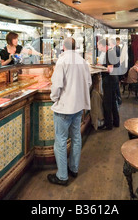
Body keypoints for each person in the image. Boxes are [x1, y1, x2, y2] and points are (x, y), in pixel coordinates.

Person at [47, 37, 92, 186]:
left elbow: (57, 85)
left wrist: (54, 98)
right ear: (75, 47)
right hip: (79, 107)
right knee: (76, 138)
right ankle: (74, 168)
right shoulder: (82, 61)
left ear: (63, 47)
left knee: (60, 140)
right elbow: (89, 82)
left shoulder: (62, 61)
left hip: (65, 107)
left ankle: (62, 176)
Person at [97, 38, 120, 130]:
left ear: (102, 46)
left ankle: (108, 125)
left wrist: (100, 68)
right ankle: (116, 122)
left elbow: (110, 69)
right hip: (113, 79)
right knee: (113, 101)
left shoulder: (109, 53)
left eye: (98, 45)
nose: (97, 47)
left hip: (109, 80)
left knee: (107, 103)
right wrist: (102, 66)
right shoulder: (110, 52)